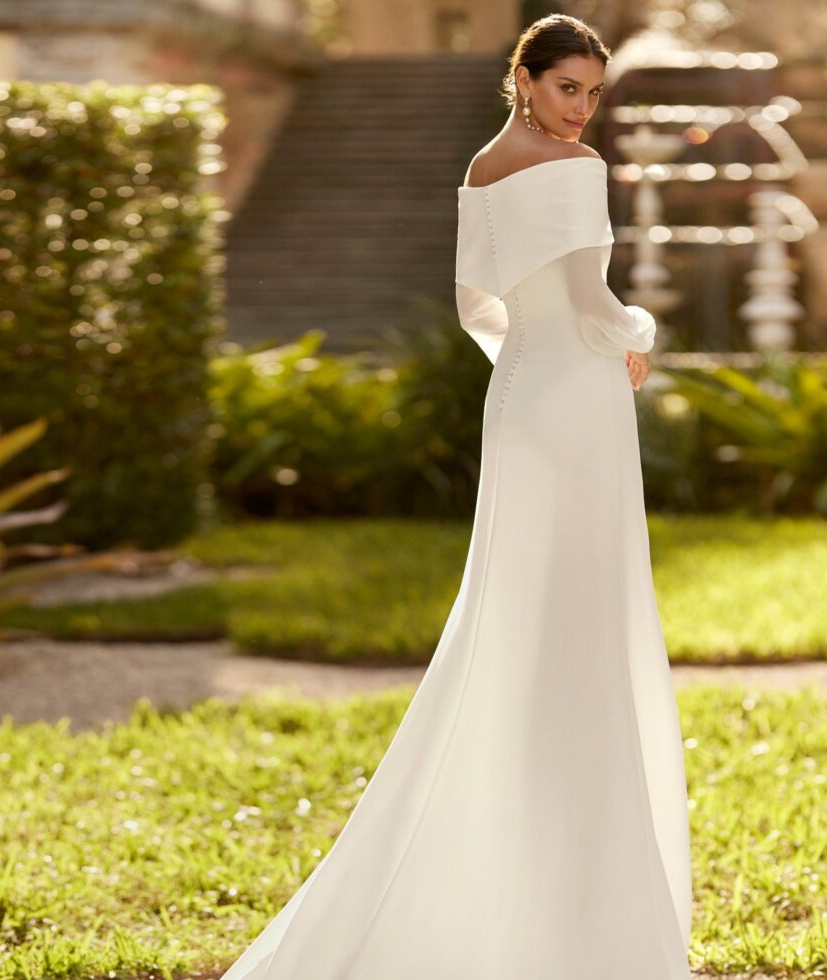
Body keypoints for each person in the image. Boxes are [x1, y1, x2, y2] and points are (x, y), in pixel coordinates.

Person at [218, 14, 692, 978]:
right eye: (568, 87)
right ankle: (569, 901)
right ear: (524, 74)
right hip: (576, 408)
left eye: (594, 93)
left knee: (519, 620)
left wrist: (537, 358)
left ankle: (506, 869)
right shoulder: (577, 170)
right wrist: (635, 335)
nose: (581, 109)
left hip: (519, 399)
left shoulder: (480, 167)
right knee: (575, 620)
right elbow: (598, 304)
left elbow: (481, 305)